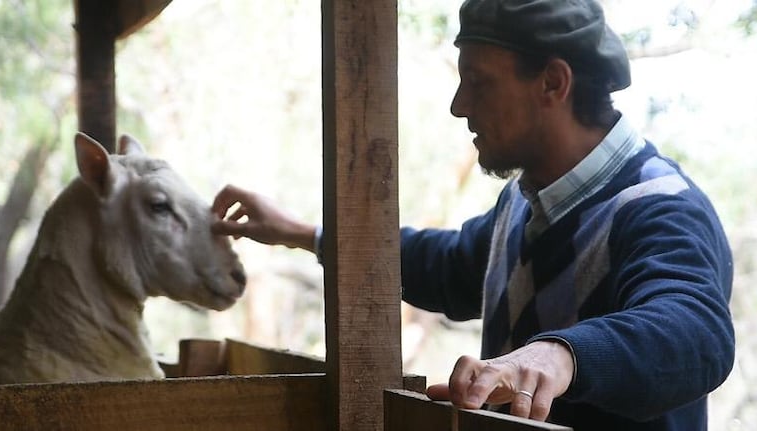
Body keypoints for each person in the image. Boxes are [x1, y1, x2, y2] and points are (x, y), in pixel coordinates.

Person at [210, 0, 735, 429]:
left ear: (553, 83)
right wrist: (302, 234)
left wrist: (557, 357)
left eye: (479, 82)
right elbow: (450, 267)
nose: (459, 106)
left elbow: (695, 330)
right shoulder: (525, 201)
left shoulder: (659, 207)